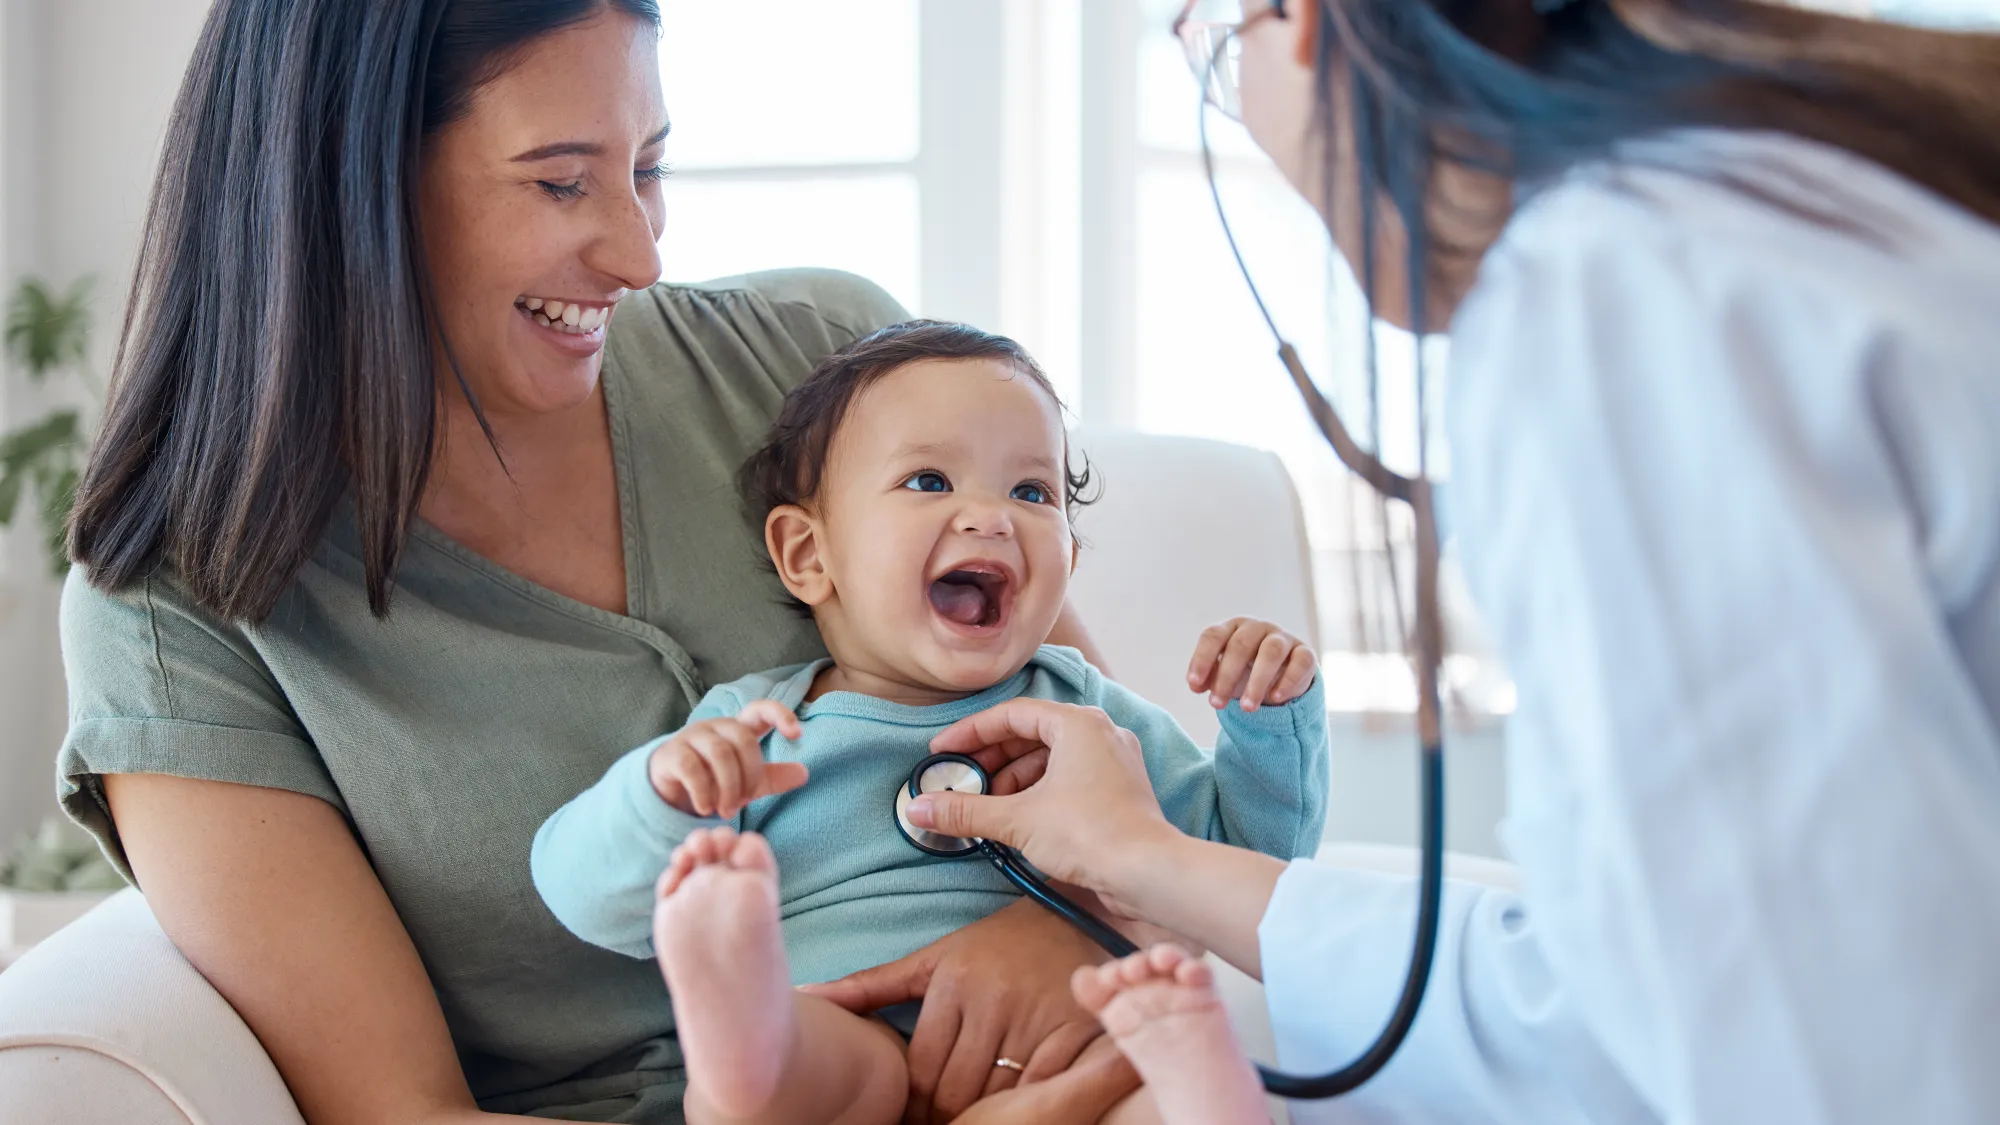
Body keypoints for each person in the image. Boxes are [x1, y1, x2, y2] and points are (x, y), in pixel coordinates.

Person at [882, 1, 2000, 1123]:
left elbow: (1798, 1056)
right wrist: (1142, 860)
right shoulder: (1816, 200)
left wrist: (1157, 848)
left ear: (1306, 23)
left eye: (1220, 54)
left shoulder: (1618, 294)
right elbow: (1650, 994)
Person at [51, 3, 1153, 1123]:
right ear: (351, 189)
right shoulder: (172, 607)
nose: (639, 256)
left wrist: (1058, 927)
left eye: (651, 167)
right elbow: (404, 1113)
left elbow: (1103, 762)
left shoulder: (829, 363)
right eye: (561, 182)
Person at [526, 320, 1331, 1125]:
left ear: (1069, 563)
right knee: (800, 1069)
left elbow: (1233, 865)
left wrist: (1268, 721)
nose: (990, 517)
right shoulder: (759, 727)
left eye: (1031, 492)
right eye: (928, 481)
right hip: (846, 1028)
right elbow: (581, 893)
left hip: (1069, 1045)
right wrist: (663, 797)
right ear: (809, 554)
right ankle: (741, 1022)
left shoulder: (1085, 716)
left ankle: (1202, 1091)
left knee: (1146, 1099)